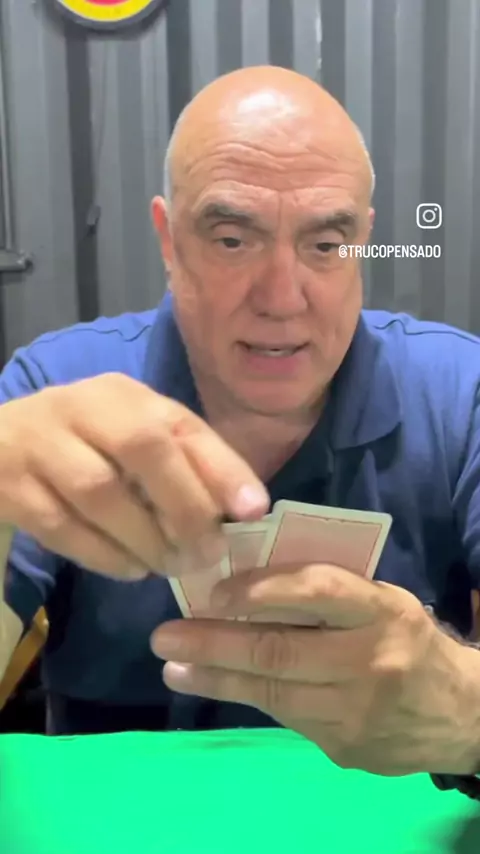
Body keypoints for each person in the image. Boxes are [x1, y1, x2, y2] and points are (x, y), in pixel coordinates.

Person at [1, 65, 480, 794]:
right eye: (232, 240)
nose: (282, 299)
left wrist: (466, 711)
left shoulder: (460, 393)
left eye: (326, 244)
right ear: (169, 240)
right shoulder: (55, 387)